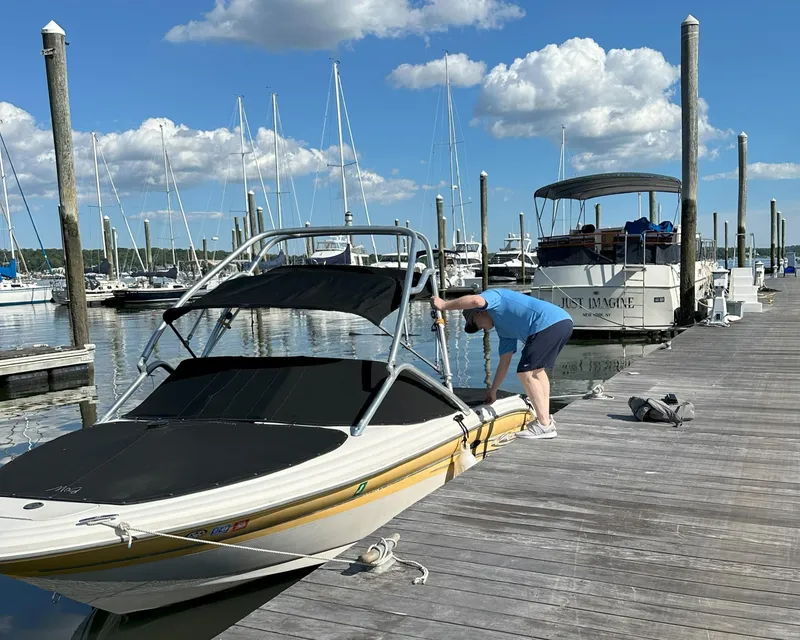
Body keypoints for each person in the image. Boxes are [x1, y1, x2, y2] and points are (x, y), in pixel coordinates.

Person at [431, 289, 573, 439]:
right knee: (537, 371)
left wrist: (444, 305)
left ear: (478, 313)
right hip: (563, 321)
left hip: (546, 322)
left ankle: (544, 425)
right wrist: (493, 391)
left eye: (476, 325)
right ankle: (546, 418)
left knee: (525, 371)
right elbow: (504, 363)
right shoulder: (504, 331)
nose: (481, 329)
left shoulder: (496, 296)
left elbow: (476, 301)